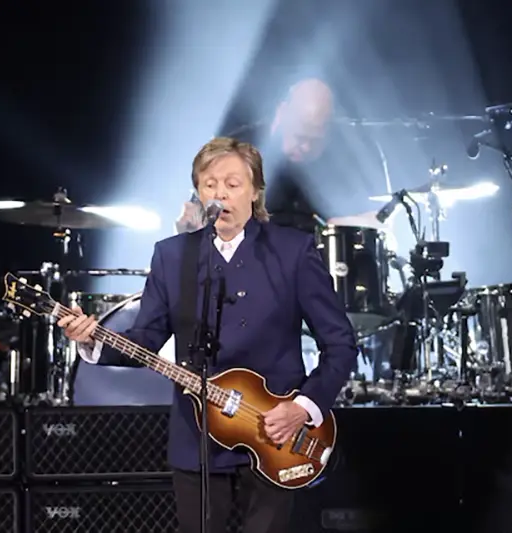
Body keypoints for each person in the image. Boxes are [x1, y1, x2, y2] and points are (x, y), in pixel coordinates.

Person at [58, 136, 359, 533]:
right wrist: (91, 340)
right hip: (197, 438)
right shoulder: (172, 255)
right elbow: (146, 337)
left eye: (233, 184)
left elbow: (340, 344)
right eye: (210, 184)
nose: (221, 194)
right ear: (199, 192)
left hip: (276, 434)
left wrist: (302, 408)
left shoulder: (293, 250)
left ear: (255, 191)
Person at [221, 77, 384, 233]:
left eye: (315, 140)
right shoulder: (235, 151)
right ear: (281, 115)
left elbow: (371, 216)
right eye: (299, 137)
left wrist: (350, 223)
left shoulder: (342, 160)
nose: (306, 147)